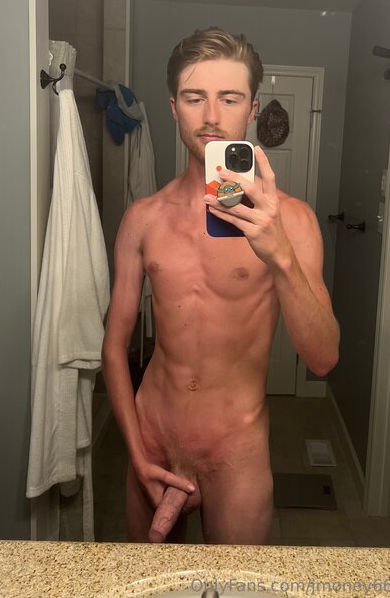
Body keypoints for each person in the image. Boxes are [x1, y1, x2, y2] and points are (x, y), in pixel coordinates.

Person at [101, 27, 340, 545]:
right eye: (194, 97)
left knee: (235, 583)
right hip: (152, 436)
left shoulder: (293, 221)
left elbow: (322, 359)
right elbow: (114, 348)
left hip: (236, 448)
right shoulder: (143, 219)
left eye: (229, 98)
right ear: (174, 108)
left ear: (251, 110)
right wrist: (136, 453)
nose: (211, 115)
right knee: (149, 581)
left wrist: (279, 254)